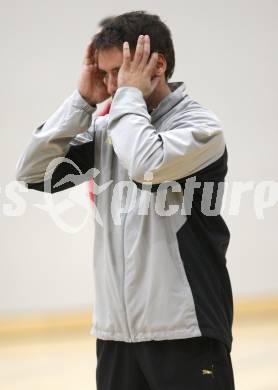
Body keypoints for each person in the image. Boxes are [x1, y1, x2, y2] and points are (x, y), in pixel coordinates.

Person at [16, 10, 235, 390]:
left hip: (186, 332)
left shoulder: (200, 128)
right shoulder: (109, 128)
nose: (113, 85)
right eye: (106, 75)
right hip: (117, 338)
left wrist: (127, 98)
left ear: (158, 64)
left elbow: (146, 165)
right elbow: (33, 173)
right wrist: (82, 100)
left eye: (121, 71)